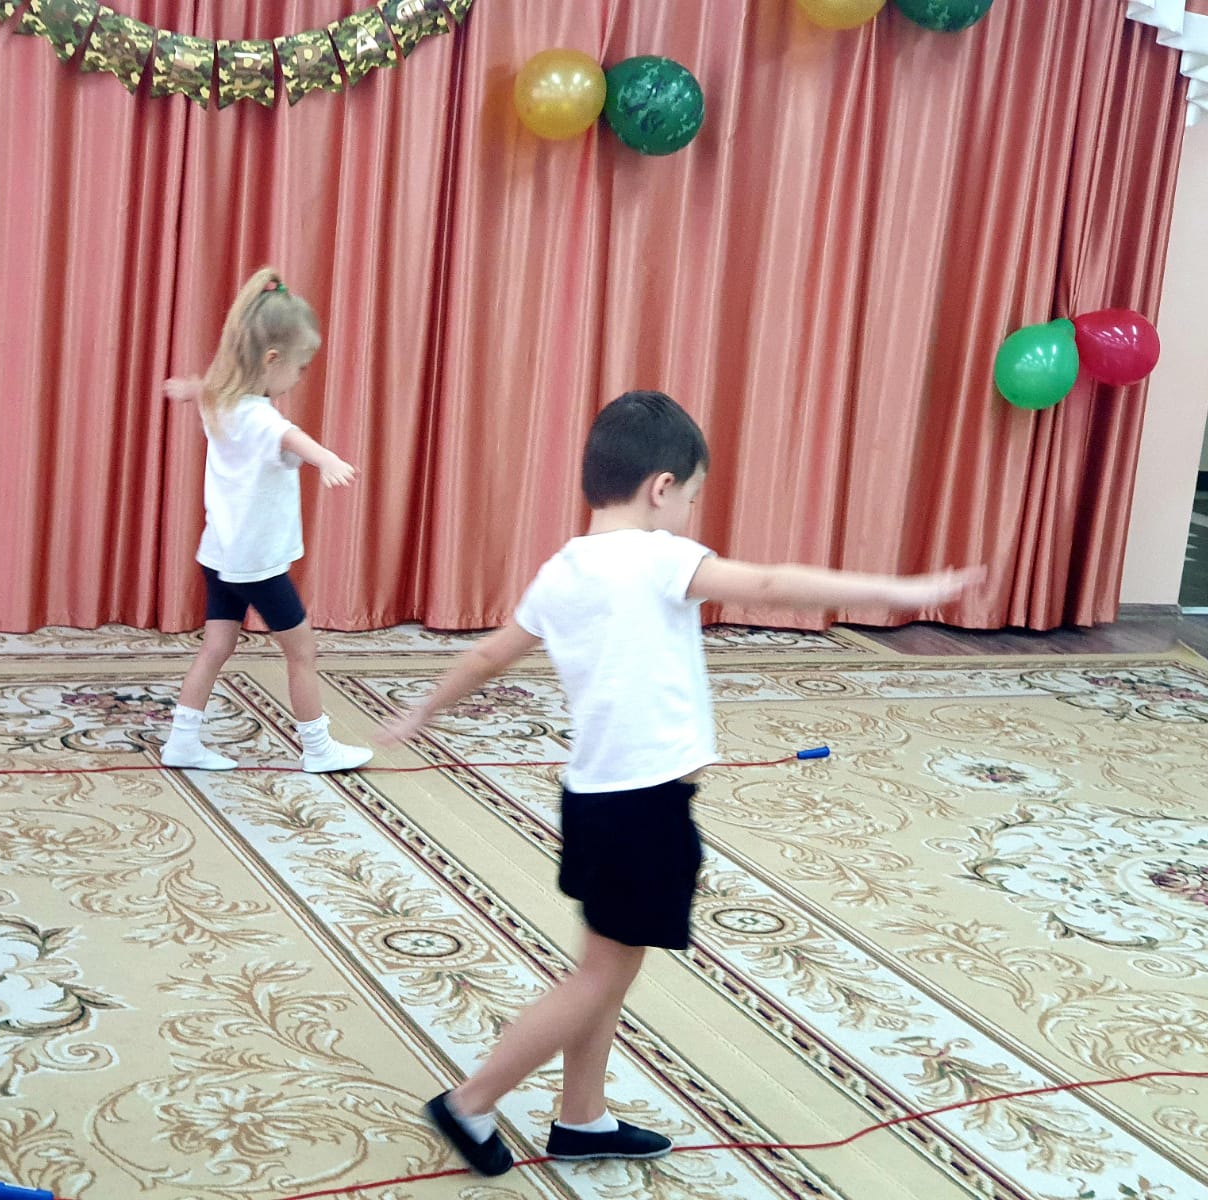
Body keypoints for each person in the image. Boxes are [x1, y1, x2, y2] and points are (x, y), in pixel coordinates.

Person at [383, 390, 983, 1174]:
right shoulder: (660, 558)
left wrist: (424, 707)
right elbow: (769, 583)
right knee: (601, 974)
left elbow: (490, 654)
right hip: (645, 811)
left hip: (592, 802)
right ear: (661, 487)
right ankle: (470, 1101)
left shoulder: (562, 570)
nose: (690, 514)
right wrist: (897, 592)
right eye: (693, 497)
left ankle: (582, 1118)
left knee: (607, 964)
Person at [159, 268, 371, 774]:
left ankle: (182, 740)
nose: (300, 378)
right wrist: (327, 460)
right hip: (257, 563)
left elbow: (205, 388)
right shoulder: (260, 416)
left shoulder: (221, 400)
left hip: (220, 553)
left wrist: (188, 388)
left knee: (216, 647)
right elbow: (290, 438)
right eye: (300, 368)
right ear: (272, 360)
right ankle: (317, 747)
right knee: (301, 652)